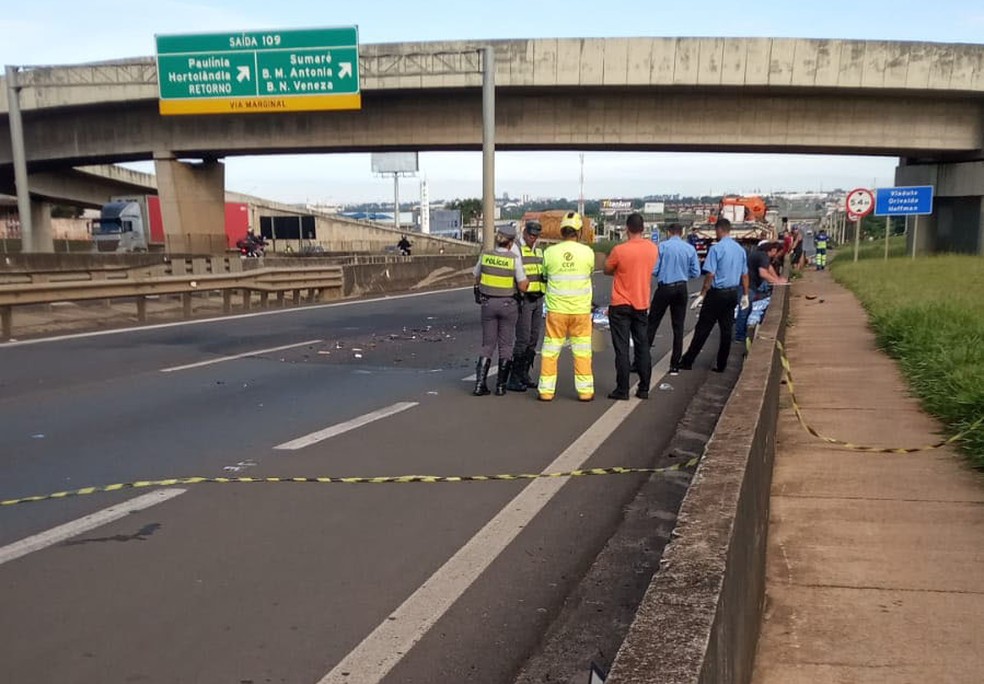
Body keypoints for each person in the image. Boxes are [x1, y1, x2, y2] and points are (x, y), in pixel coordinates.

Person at [538, 211, 595, 402]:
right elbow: (590, 271)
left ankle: (546, 391)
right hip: (580, 312)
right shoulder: (587, 253)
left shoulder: (549, 253)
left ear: (561, 231)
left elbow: (544, 275)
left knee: (550, 352)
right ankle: (585, 391)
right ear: (578, 232)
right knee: (582, 352)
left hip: (556, 311)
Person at [679, 218, 749, 373]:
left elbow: (710, 274)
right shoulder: (740, 250)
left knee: (703, 328)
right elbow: (745, 274)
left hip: (717, 294)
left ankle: (688, 361)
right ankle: (721, 364)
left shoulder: (716, 249)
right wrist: (745, 294)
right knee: (726, 330)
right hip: (732, 293)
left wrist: (703, 294)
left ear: (719, 230)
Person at [604, 213, 660, 400]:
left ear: (627, 228)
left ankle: (622, 389)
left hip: (620, 303)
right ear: (643, 229)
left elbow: (607, 269)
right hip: (641, 303)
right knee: (642, 346)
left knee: (621, 349)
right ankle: (644, 388)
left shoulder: (620, 250)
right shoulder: (652, 249)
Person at [472, 224, 529, 396]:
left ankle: (479, 385)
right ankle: (501, 386)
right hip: (507, 305)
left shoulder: (485, 255)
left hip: (488, 304)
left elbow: (476, 275)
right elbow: (523, 286)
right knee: (506, 345)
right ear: (511, 243)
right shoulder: (513, 259)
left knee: (487, 344)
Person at [647, 222, 701, 375]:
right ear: (682, 232)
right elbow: (696, 272)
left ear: (669, 232)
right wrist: (683, 274)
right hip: (681, 288)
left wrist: (664, 273)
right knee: (678, 327)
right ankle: (674, 365)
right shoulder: (689, 249)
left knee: (652, 323)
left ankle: (641, 361)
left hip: (665, 287)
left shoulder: (662, 247)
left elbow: (655, 270)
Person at [505, 220, 546, 392]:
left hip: (538, 299)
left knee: (533, 339)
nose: (533, 238)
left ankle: (524, 374)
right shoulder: (516, 249)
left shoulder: (539, 250)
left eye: (536, 235)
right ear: (524, 233)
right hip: (524, 299)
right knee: (523, 338)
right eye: (530, 235)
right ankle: (513, 377)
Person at [735, 240, 787, 343]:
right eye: (778, 253)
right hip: (747, 286)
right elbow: (763, 273)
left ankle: (742, 334)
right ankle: (740, 336)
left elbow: (769, 268)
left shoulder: (760, 255)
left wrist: (777, 279)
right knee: (744, 310)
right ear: (773, 250)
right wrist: (777, 281)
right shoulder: (763, 256)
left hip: (748, 286)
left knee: (747, 309)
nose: (776, 256)